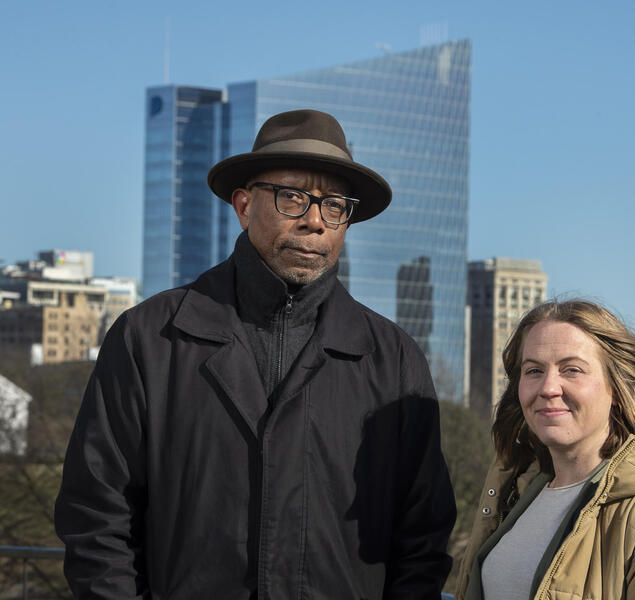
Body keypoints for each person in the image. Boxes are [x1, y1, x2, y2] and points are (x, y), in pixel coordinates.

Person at [55, 109, 457, 599]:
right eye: (293, 197)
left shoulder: (393, 359)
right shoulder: (149, 338)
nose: (315, 220)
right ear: (244, 206)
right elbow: (96, 517)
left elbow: (422, 540)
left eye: (334, 205)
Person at [455, 299, 635, 600]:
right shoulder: (518, 492)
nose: (548, 388)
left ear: (617, 388)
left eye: (571, 370)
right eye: (533, 371)